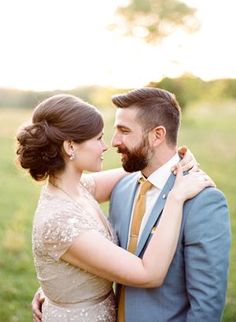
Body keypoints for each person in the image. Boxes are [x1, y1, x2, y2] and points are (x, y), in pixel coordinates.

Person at [17, 93, 212, 322]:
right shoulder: (59, 219)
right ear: (70, 146)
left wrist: (177, 161)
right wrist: (176, 197)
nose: (106, 145)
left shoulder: (79, 188)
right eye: (98, 138)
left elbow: (145, 168)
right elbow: (148, 274)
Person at [108, 87, 231, 322]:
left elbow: (206, 305)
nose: (115, 141)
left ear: (157, 135)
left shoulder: (204, 201)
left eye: (124, 131)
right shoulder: (122, 190)